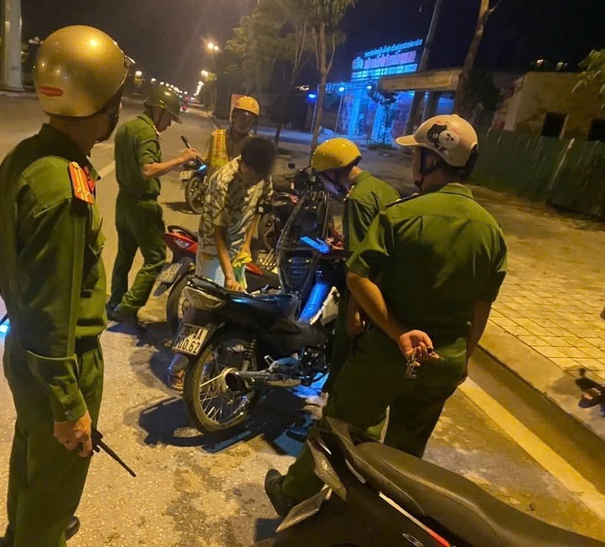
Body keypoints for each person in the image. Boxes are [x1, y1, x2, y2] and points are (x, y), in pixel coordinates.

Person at [265, 114, 508, 517]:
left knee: (341, 427)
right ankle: (383, 518)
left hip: (390, 355)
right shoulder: (491, 231)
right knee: (407, 453)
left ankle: (293, 493)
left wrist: (397, 331)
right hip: (444, 360)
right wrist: (464, 356)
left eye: (416, 155)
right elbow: (482, 307)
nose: (413, 163)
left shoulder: (402, 215)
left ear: (432, 160)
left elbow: (358, 276)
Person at [0, 25, 130, 545]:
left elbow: (7, 266)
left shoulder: (25, 158)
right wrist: (70, 406)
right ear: (103, 103)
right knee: (56, 478)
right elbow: (54, 308)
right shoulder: (65, 187)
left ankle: (24, 530)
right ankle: (38, 534)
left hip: (23, 344)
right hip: (62, 358)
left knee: (33, 452)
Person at [167, 137, 277, 390]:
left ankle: (214, 363)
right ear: (243, 163)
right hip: (211, 250)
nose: (255, 181)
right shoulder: (223, 181)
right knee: (205, 310)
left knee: (236, 309)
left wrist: (247, 245)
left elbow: (257, 210)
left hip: (237, 249)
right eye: (252, 176)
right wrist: (228, 274)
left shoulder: (263, 175)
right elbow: (218, 234)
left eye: (260, 177)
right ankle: (177, 366)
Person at [311, 138, 400, 395]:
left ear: (333, 172)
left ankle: (333, 403)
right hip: (387, 287)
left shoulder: (357, 200)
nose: (326, 186)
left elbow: (360, 266)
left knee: (344, 352)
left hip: (364, 293)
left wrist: (353, 312)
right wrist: (344, 249)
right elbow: (373, 245)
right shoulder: (383, 189)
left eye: (323, 178)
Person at [107, 85, 199, 323]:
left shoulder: (127, 128)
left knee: (124, 255)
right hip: (142, 206)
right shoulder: (147, 132)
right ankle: (127, 307)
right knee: (156, 257)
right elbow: (148, 169)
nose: (168, 124)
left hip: (124, 202)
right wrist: (181, 159)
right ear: (158, 110)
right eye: (169, 118)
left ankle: (115, 301)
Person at [206, 95, 260, 175]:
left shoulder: (253, 146)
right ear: (234, 116)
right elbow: (206, 162)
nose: (244, 123)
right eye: (242, 118)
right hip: (213, 182)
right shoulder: (216, 136)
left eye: (249, 121)